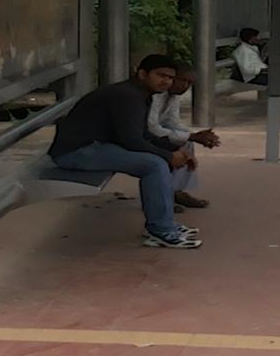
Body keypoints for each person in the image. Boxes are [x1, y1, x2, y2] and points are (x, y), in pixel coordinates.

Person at [48, 54, 201, 249]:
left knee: (157, 161)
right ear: (142, 74)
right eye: (160, 75)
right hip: (76, 152)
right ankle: (161, 230)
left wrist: (174, 149)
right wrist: (169, 156)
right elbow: (132, 140)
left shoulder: (139, 94)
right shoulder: (127, 96)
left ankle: (163, 225)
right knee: (154, 165)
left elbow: (142, 134)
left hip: (95, 146)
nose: (166, 81)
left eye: (170, 78)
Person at [146, 63, 220, 209]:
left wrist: (196, 135)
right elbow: (152, 128)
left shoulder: (173, 96)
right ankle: (164, 196)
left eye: (190, 83)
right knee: (181, 143)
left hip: (154, 133)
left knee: (186, 143)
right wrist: (192, 136)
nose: (185, 86)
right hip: (139, 136)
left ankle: (176, 191)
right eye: (183, 80)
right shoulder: (155, 94)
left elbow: (172, 121)